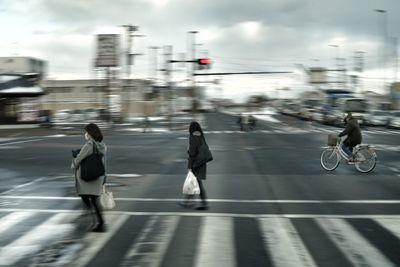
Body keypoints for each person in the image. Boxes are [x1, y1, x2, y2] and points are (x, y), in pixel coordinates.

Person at [71, 123, 107, 232]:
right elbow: (103, 162)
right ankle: (98, 222)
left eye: (86, 132)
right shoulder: (102, 145)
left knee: (86, 197)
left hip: (86, 177)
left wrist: (73, 165)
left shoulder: (89, 145)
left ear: (90, 133)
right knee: (93, 199)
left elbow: (79, 158)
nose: (85, 134)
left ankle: (97, 221)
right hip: (97, 176)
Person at [180, 121, 209, 210]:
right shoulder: (200, 136)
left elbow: (192, 153)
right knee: (193, 182)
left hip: (195, 163)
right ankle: (188, 201)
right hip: (201, 163)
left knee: (196, 182)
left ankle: (203, 203)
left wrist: (190, 166)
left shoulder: (193, 137)